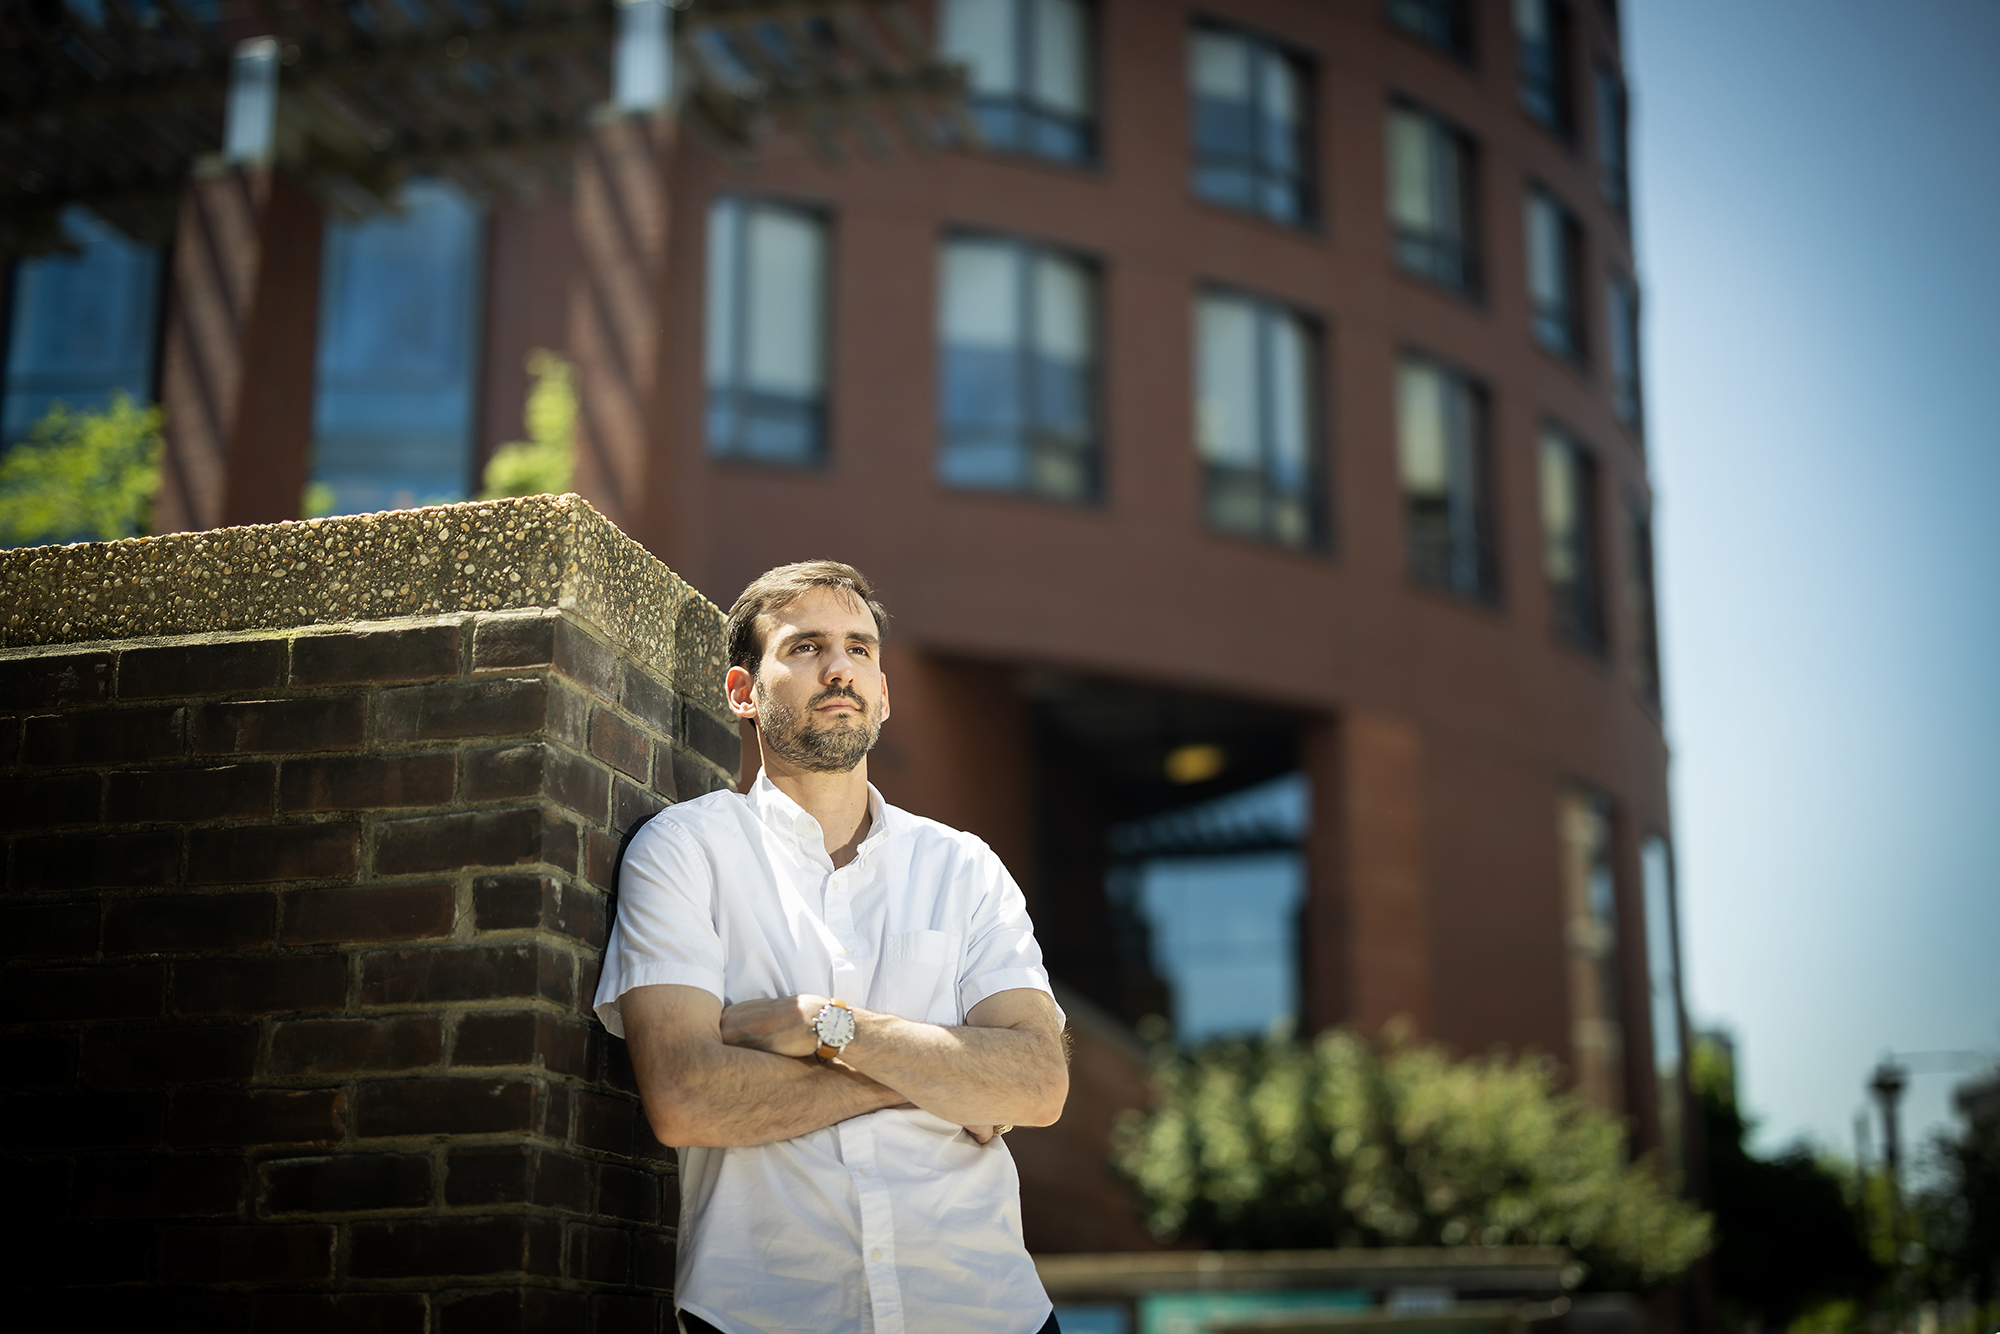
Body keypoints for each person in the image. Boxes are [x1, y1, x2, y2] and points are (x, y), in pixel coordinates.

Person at [593, 560, 1071, 1334]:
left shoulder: (964, 867)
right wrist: (933, 1081)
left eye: (860, 649)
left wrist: (825, 1027)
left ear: (884, 694)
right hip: (765, 1314)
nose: (840, 667)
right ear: (743, 693)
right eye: (807, 646)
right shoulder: (684, 851)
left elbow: (1038, 1083)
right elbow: (686, 1099)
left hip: (987, 1311)